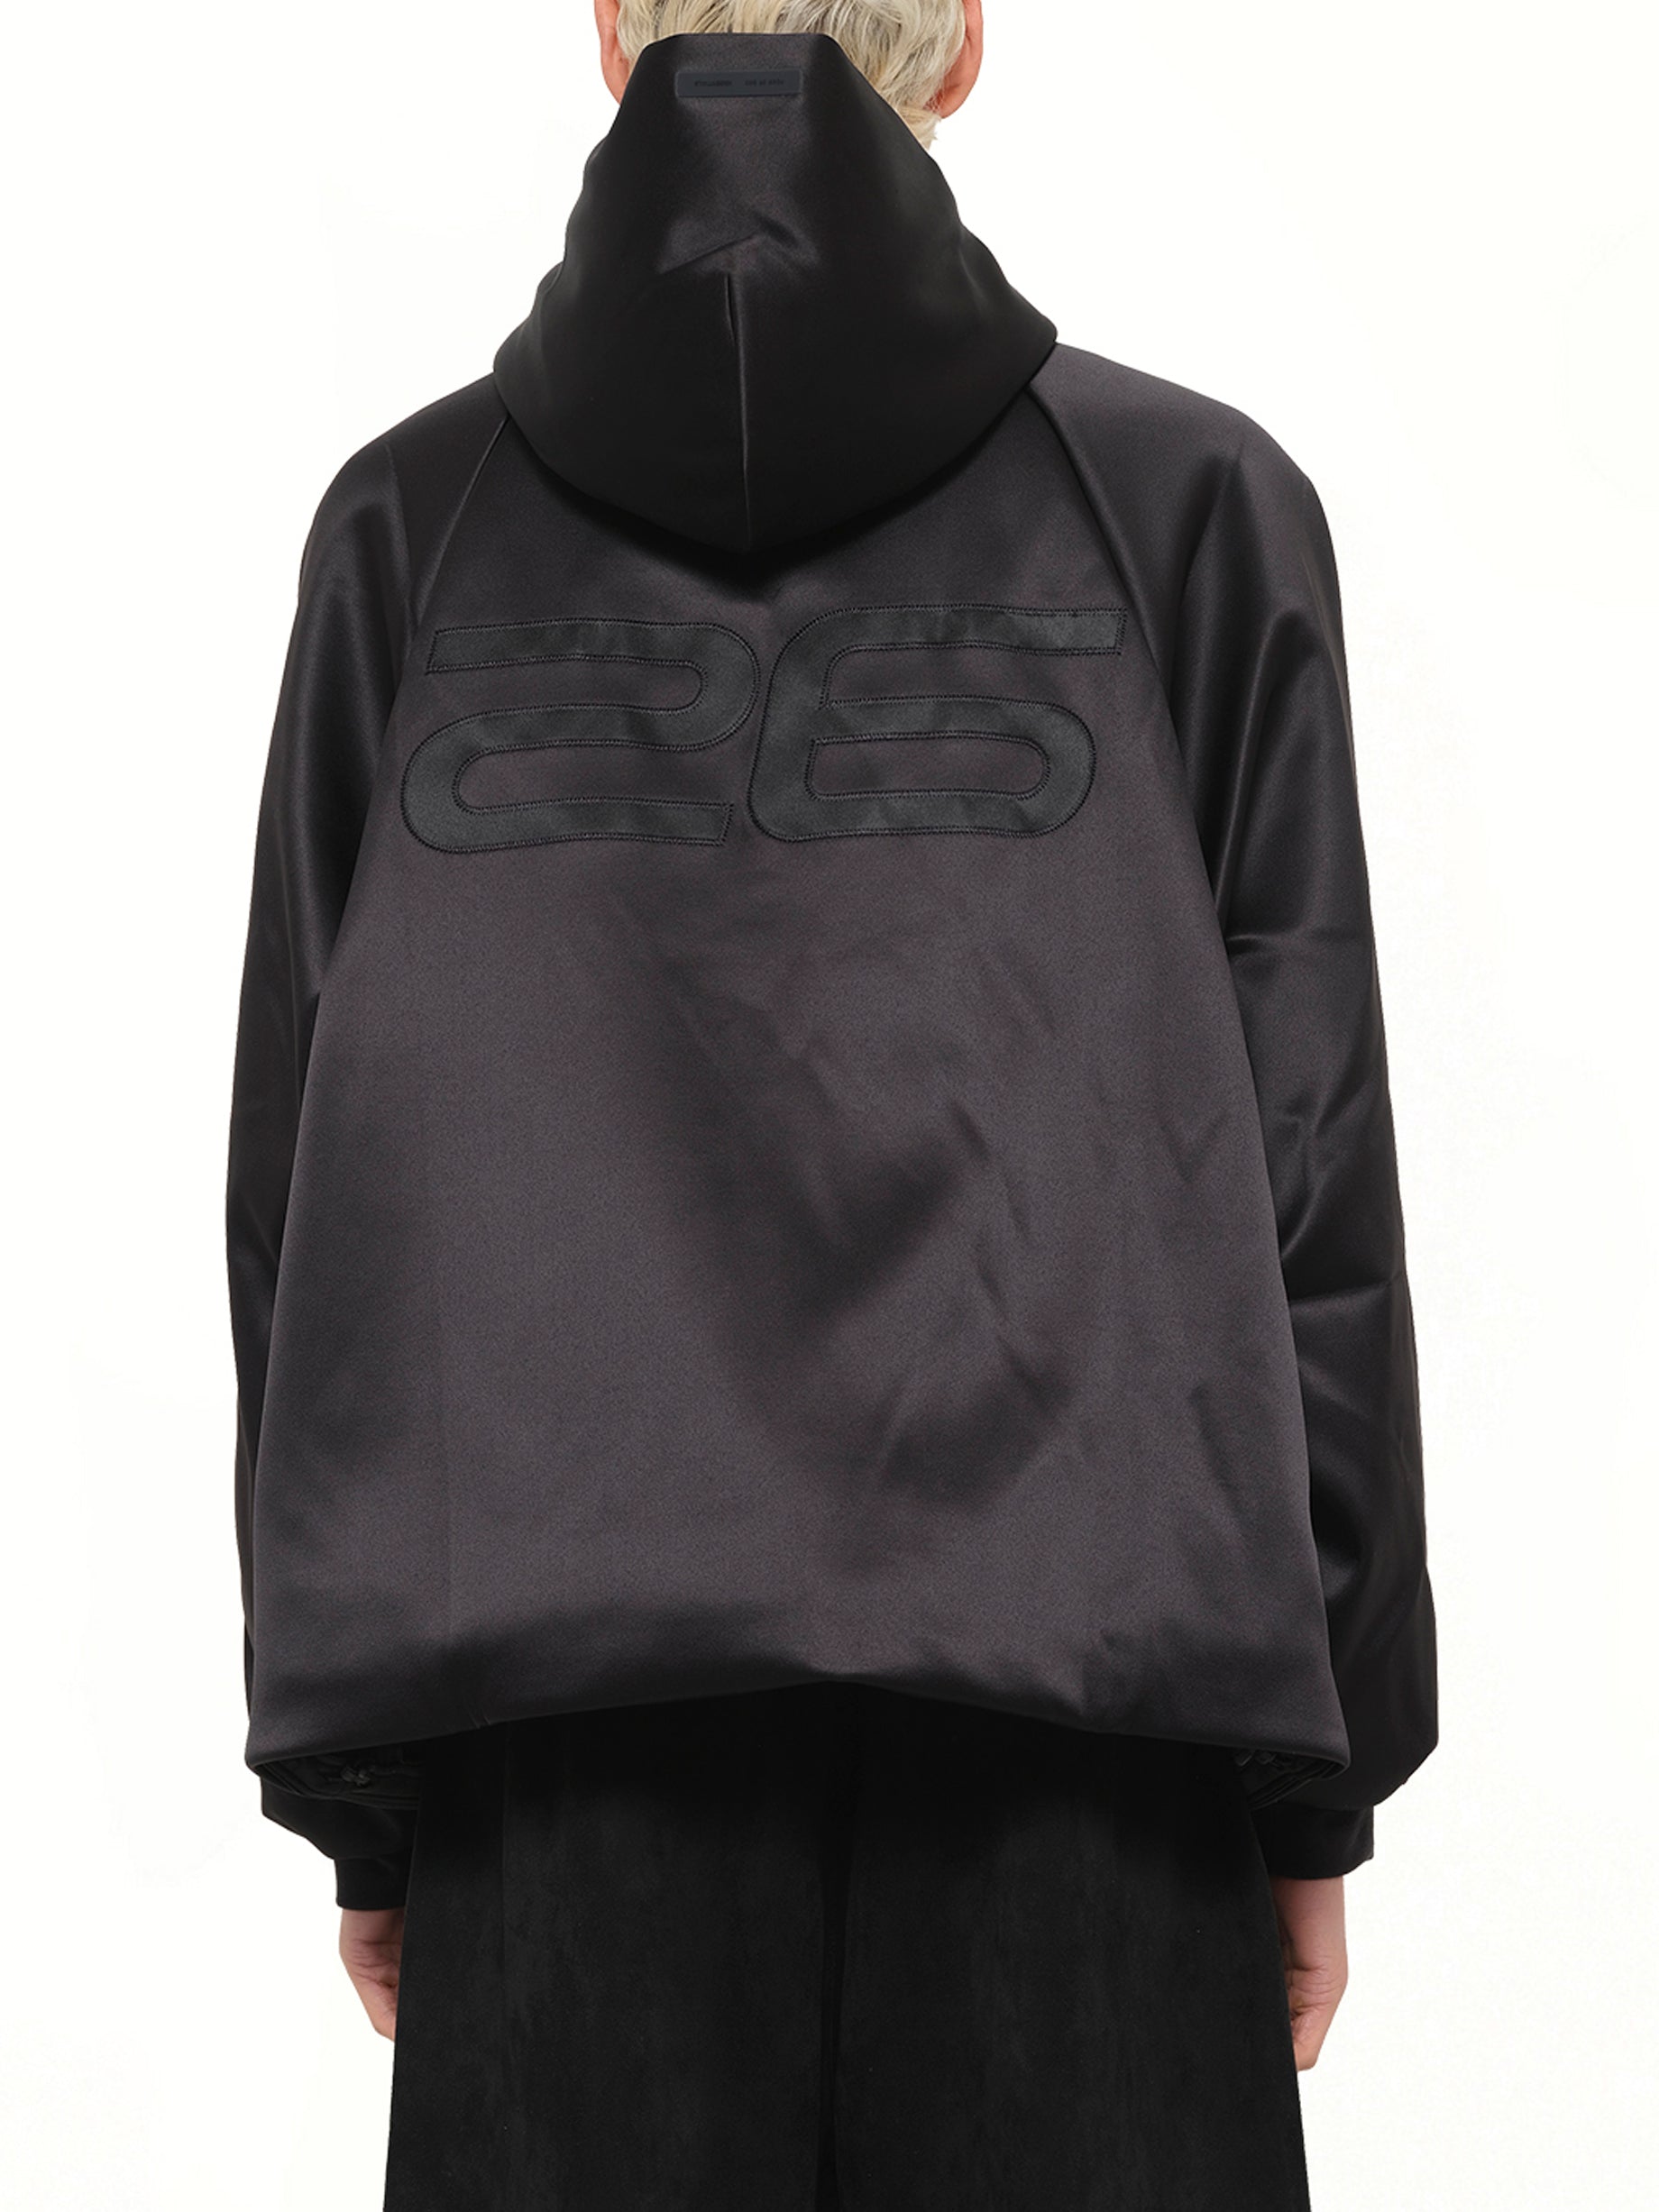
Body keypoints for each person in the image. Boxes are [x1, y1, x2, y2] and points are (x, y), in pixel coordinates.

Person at [225, 3, 1437, 2204]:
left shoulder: (414, 524)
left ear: (612, 40)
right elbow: (1305, 1168)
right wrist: (1317, 1766)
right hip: (1093, 1752)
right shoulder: (1189, 507)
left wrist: (365, 1785)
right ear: (958, 48)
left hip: (558, 1764)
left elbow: (307, 1190)